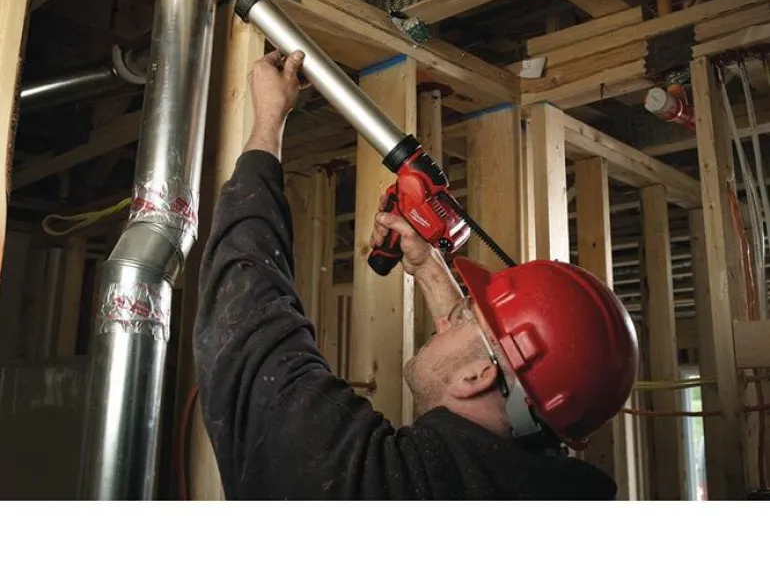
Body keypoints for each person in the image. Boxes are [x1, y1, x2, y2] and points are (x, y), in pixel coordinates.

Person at [193, 49, 638, 500]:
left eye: (464, 317)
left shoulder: (370, 483)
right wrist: (428, 267)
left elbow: (247, 323)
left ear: (477, 378)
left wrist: (268, 121)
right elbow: (482, 354)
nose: (444, 318)